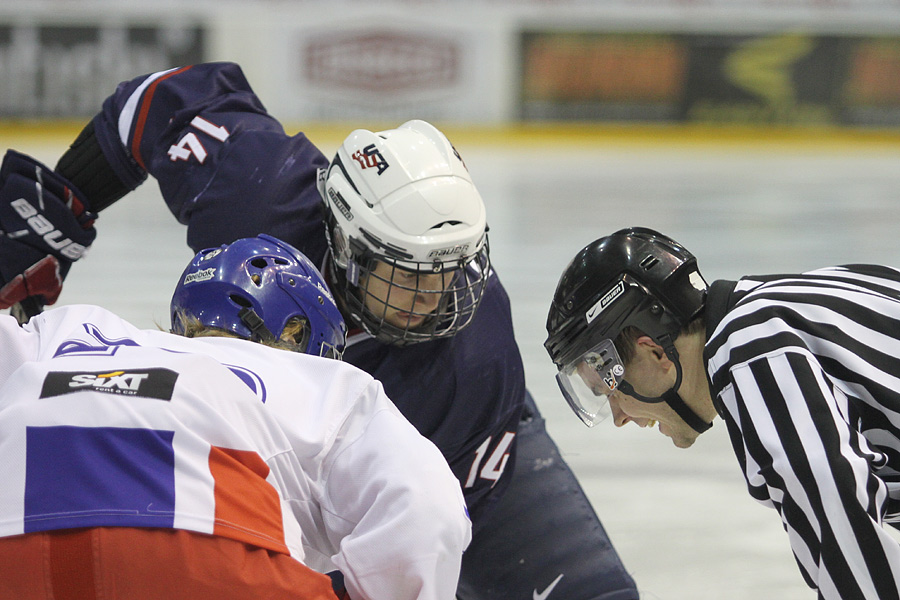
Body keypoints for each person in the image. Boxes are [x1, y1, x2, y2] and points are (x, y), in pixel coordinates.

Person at [0, 62, 638, 600]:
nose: (439, 296)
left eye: (452, 269)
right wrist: (64, 210)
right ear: (348, 242)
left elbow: (420, 518)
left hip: (466, 467)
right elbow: (152, 106)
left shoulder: (470, 354)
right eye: (409, 272)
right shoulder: (261, 187)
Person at [0, 230, 472, 600]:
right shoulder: (323, 384)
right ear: (296, 331)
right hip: (208, 556)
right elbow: (430, 514)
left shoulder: (71, 330)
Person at [544, 226, 900, 599]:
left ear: (655, 353)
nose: (618, 417)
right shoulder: (775, 309)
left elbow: (847, 543)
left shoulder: (754, 353)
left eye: (611, 387)